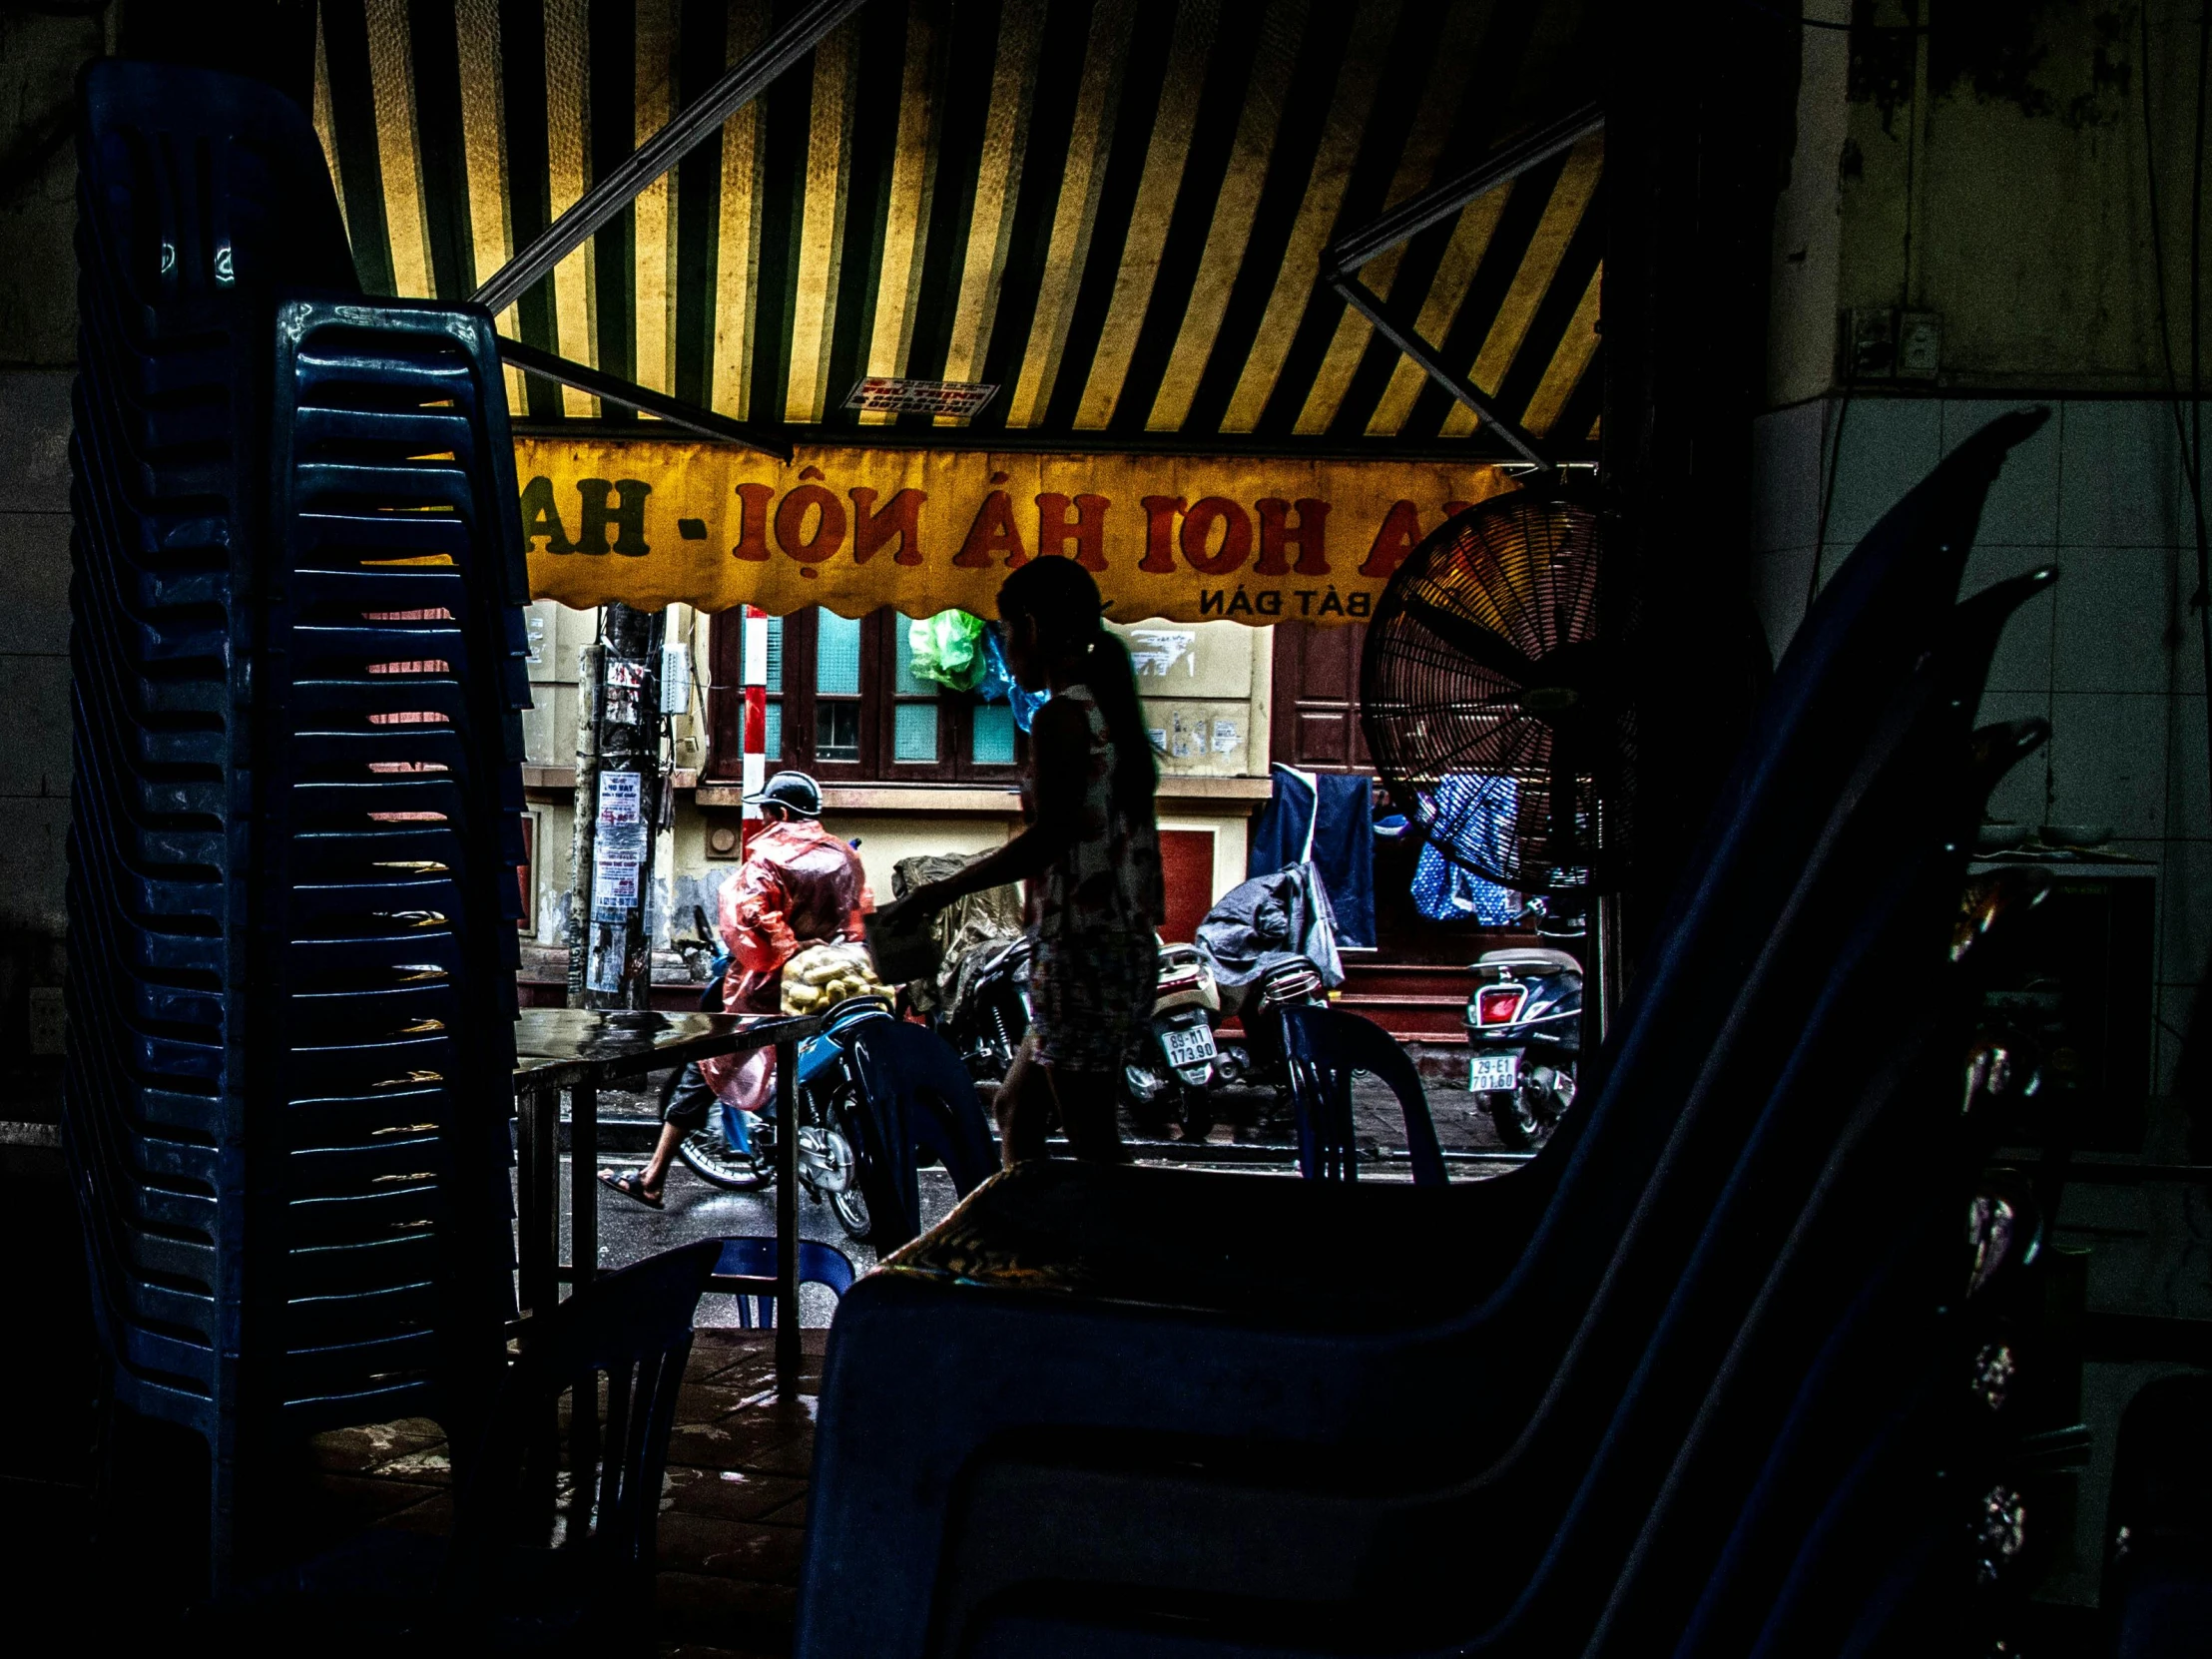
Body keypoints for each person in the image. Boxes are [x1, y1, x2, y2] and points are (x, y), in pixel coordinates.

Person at [881, 558, 1163, 1166]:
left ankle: (1105, 1255)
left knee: (1093, 1143)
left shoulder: (1062, 718)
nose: (1004, 645)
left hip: (1080, 949)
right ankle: (1027, 1241)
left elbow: (1050, 838)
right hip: (1115, 946)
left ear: (1032, 627)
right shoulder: (1109, 711)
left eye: (1006, 630)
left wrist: (939, 891)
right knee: (1018, 1109)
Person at [599, 770, 870, 1208]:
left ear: (780, 812)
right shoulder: (844, 857)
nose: (763, 817)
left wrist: (791, 950)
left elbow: (752, 921)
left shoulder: (770, 859)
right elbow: (858, 916)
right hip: (836, 980)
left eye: (766, 809)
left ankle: (652, 1176)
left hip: (770, 990)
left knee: (708, 1065)